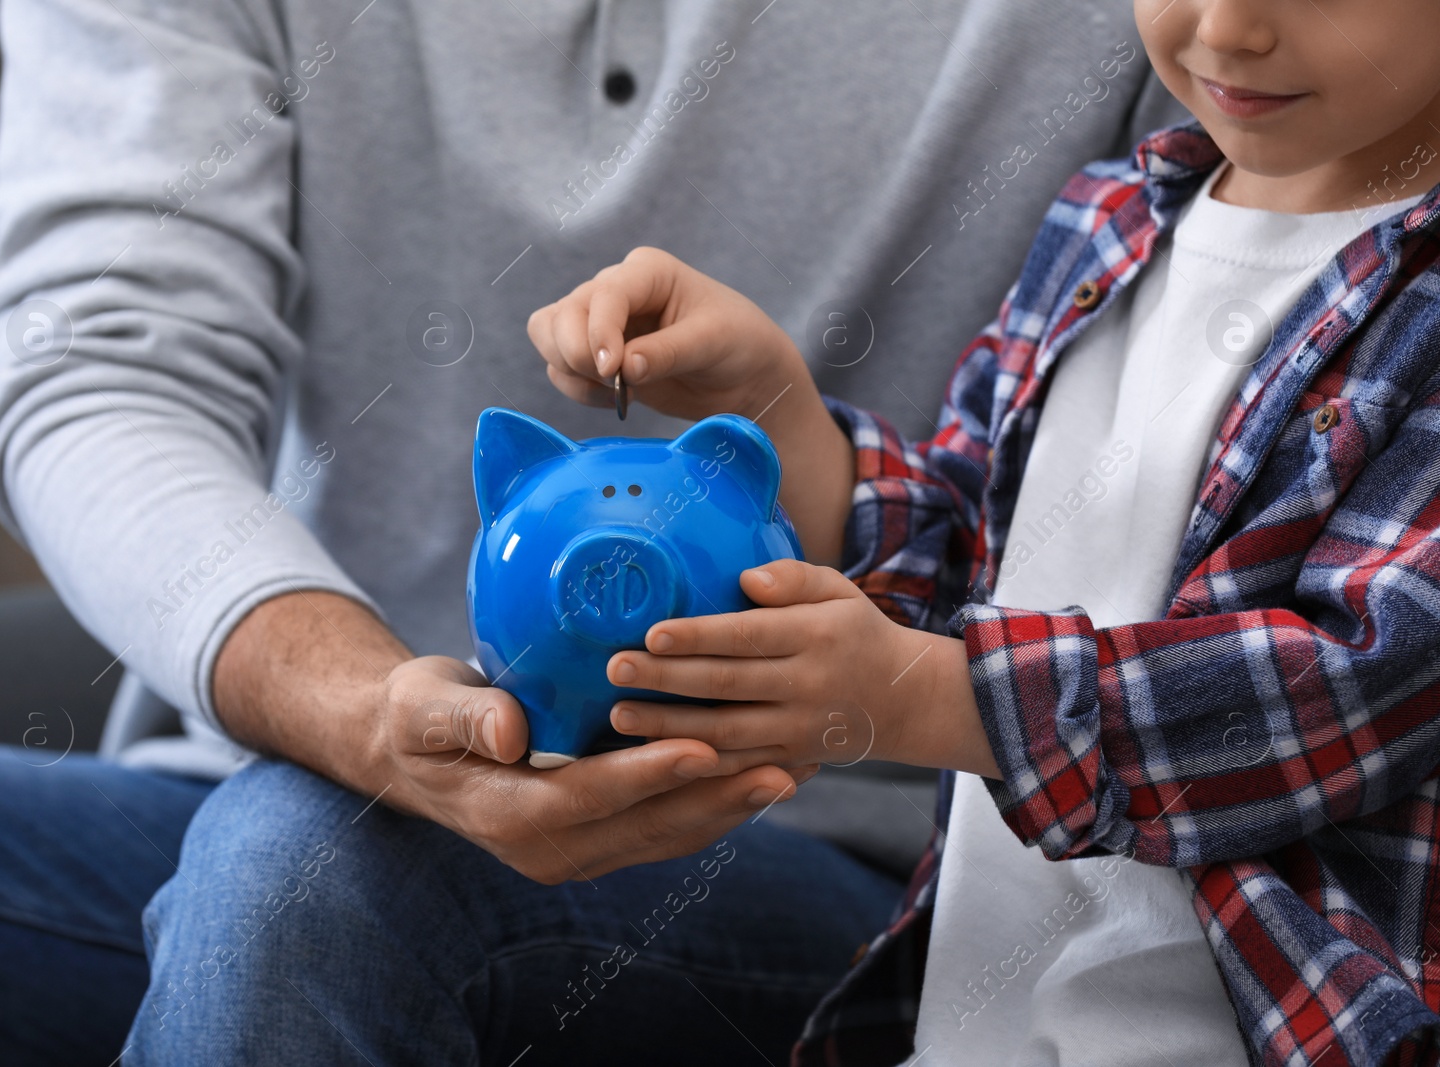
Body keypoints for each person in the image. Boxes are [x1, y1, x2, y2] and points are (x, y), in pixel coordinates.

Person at [0, 2, 1198, 1064]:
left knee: (309, 870)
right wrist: (364, 711)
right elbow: (103, 372)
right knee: (303, 853)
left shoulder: (1191, 29)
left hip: (867, 865)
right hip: (278, 773)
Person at [527, 0, 1440, 1064]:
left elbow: (1351, 684)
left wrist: (921, 696)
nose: (1227, 29)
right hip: (978, 1016)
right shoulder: (1106, 221)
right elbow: (977, 553)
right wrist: (777, 406)